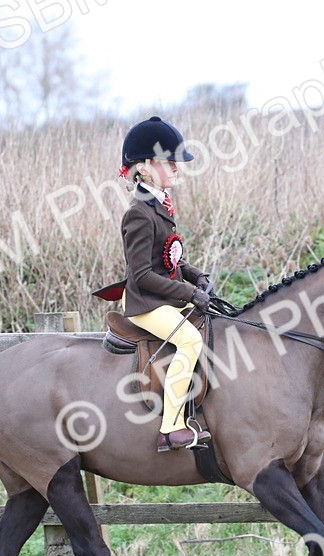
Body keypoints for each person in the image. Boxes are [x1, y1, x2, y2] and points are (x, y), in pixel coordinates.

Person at [106, 116, 213, 452]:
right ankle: (171, 428)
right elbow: (142, 275)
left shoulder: (158, 206)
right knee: (190, 340)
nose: (177, 169)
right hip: (144, 303)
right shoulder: (139, 213)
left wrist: (196, 276)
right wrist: (189, 293)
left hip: (161, 297)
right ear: (148, 167)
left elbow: (167, 260)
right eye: (170, 163)